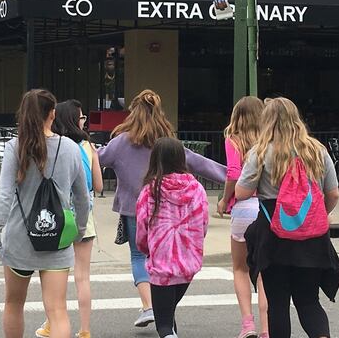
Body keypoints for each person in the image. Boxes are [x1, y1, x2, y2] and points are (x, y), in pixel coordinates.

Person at [97, 89, 226, 328]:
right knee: (162, 260)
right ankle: (163, 312)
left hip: (133, 209)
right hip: (165, 210)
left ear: (133, 112)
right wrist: (232, 177)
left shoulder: (121, 142)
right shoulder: (167, 142)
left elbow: (96, 158)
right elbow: (199, 163)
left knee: (138, 256)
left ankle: (149, 307)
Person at [0, 89, 90, 338]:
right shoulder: (71, 149)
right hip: (58, 239)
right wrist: (79, 231)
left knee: (13, 304)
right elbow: (82, 198)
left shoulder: (15, 147)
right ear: (53, 114)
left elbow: (4, 196)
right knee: (58, 310)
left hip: (20, 240)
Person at [235, 97, 339, 338]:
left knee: (278, 303)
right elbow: (333, 193)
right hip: (312, 239)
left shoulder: (260, 152)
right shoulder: (317, 150)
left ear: (267, 122)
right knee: (309, 301)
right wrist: (319, 214)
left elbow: (242, 192)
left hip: (273, 237)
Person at [36, 100, 103, 338]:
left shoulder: (54, 146)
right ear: (76, 120)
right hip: (84, 215)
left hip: (58, 215)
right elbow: (98, 185)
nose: (84, 121)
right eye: (82, 117)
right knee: (82, 276)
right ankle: (84, 330)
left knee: (55, 272)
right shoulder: (88, 147)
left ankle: (51, 324)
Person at [136, 137, 208, 338]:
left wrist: (146, 249)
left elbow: (142, 230)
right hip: (188, 265)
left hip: (162, 265)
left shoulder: (150, 191)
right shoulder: (197, 189)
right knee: (169, 312)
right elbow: (203, 225)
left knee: (164, 325)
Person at [216, 96, 269, 338]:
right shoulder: (269, 141)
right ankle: (267, 328)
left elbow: (233, 173)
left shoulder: (233, 140)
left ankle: (248, 324)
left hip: (243, 207)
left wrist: (225, 200)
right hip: (266, 208)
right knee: (264, 271)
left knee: (240, 268)